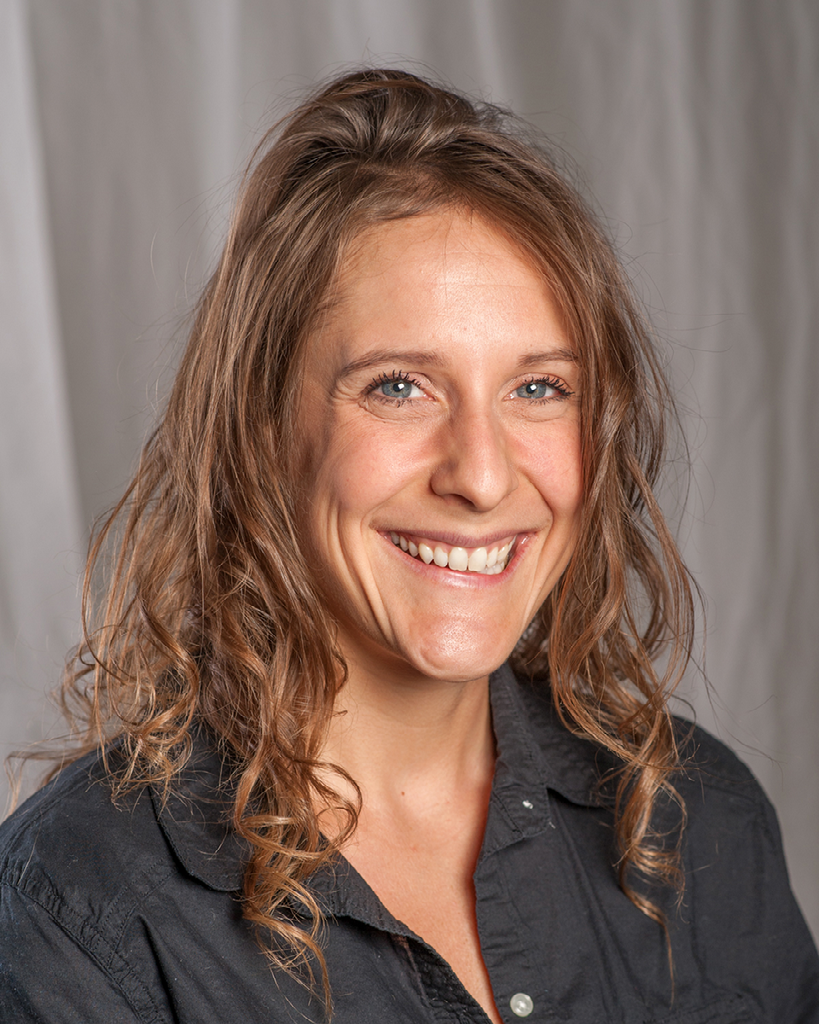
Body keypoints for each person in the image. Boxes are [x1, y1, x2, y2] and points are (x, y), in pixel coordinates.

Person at [0, 68, 817, 1024]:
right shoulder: (80, 910)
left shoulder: (697, 818)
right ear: (263, 431)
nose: (480, 474)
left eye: (539, 388)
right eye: (399, 386)